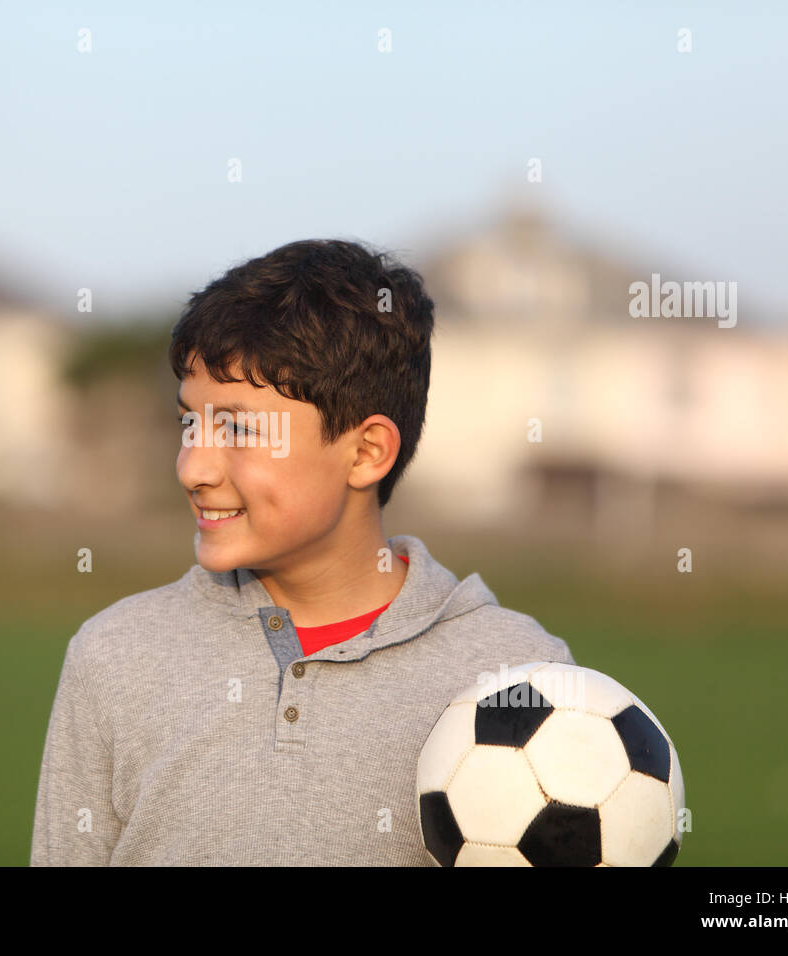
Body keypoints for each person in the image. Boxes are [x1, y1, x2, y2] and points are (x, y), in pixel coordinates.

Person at [30, 238, 575, 865]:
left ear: (367, 452)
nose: (193, 468)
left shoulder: (517, 675)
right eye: (190, 423)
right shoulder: (115, 657)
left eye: (239, 429)